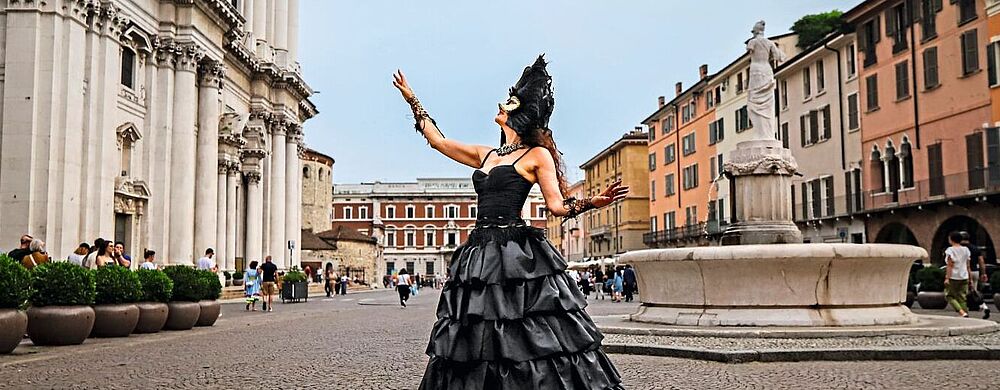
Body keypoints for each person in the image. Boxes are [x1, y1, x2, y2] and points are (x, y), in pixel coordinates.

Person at [394, 56, 628, 389]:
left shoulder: (537, 155)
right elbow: (439, 141)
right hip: (479, 251)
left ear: (521, 113)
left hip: (514, 253)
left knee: (521, 327)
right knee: (477, 327)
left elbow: (555, 205)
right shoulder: (488, 154)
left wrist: (592, 202)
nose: (501, 105)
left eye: (509, 102)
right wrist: (412, 99)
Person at [960, 231, 990, 319]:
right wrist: (983, 273)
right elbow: (981, 261)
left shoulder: (960, 249)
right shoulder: (975, 248)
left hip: (964, 272)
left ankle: (965, 312)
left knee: (963, 293)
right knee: (974, 292)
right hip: (975, 272)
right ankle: (983, 306)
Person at [944, 231, 973, 318]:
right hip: (964, 276)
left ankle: (962, 313)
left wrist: (947, 278)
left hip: (954, 276)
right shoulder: (966, 250)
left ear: (951, 239)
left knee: (949, 296)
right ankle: (965, 313)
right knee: (962, 297)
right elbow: (968, 265)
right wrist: (970, 278)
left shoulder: (950, 250)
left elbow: (950, 265)